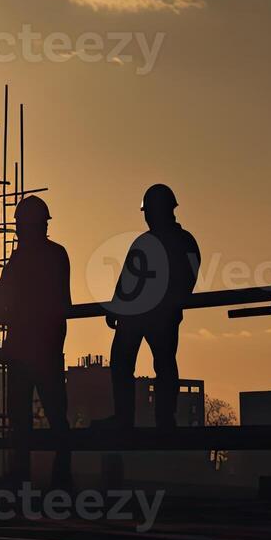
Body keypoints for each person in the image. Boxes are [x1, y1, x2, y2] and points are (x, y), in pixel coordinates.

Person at [0, 196, 73, 488]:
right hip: (42, 348)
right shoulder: (52, 255)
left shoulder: (29, 257)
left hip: (29, 349)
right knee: (52, 417)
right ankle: (57, 478)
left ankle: (25, 477)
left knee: (24, 418)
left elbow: (5, 293)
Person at [103, 184, 201, 430]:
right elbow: (129, 278)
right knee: (142, 362)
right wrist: (117, 305)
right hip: (143, 315)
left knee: (160, 363)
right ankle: (153, 419)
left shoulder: (174, 242)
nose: (147, 217)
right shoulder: (176, 241)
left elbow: (186, 278)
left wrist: (120, 305)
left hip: (154, 315)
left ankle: (155, 419)